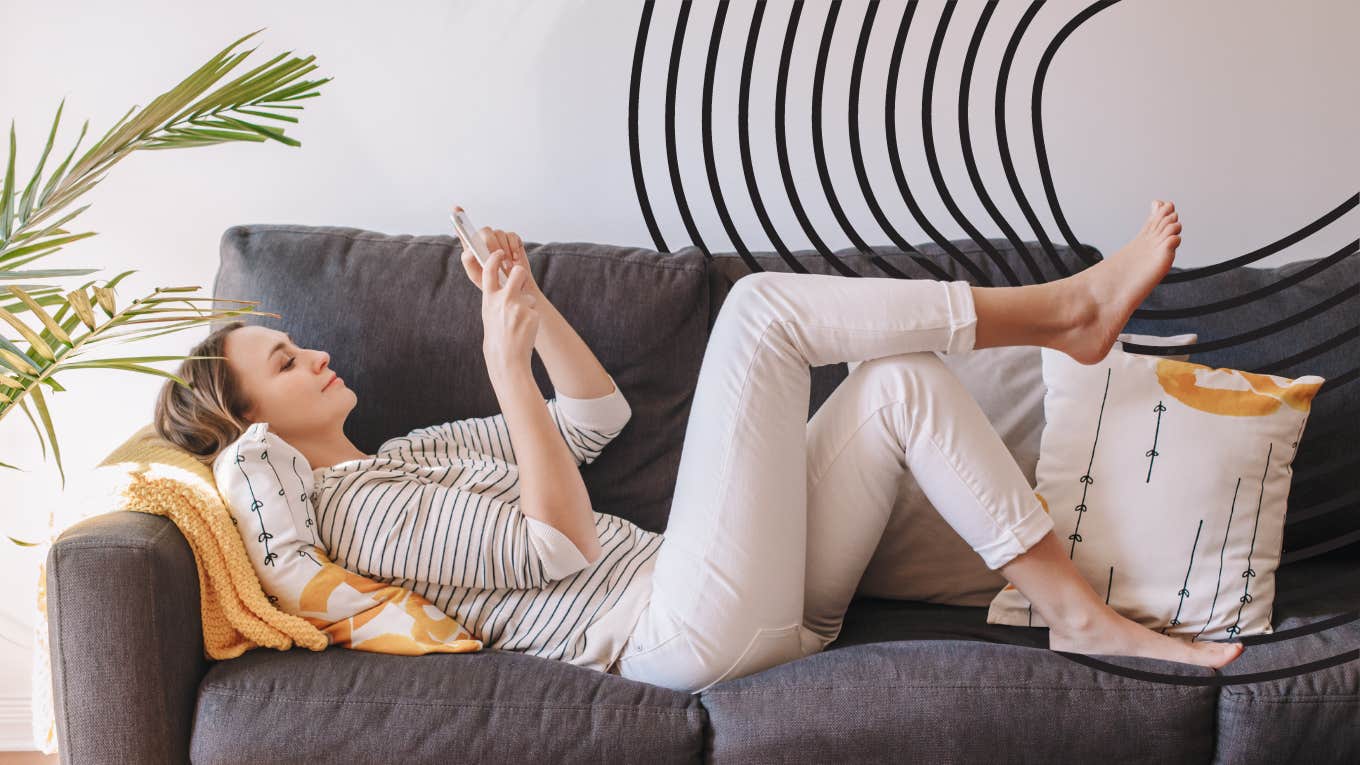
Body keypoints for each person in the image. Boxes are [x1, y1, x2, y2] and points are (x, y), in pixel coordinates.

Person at [154, 199, 1242, 695]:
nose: (317, 354)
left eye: (299, 342)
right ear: (254, 425)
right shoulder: (359, 512)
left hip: (749, 605)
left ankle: (1072, 614)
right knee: (763, 312)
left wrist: (532, 308)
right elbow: (558, 550)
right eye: (287, 363)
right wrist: (500, 361)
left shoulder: (409, 454)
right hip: (673, 629)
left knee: (899, 382)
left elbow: (594, 423)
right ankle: (1060, 313)